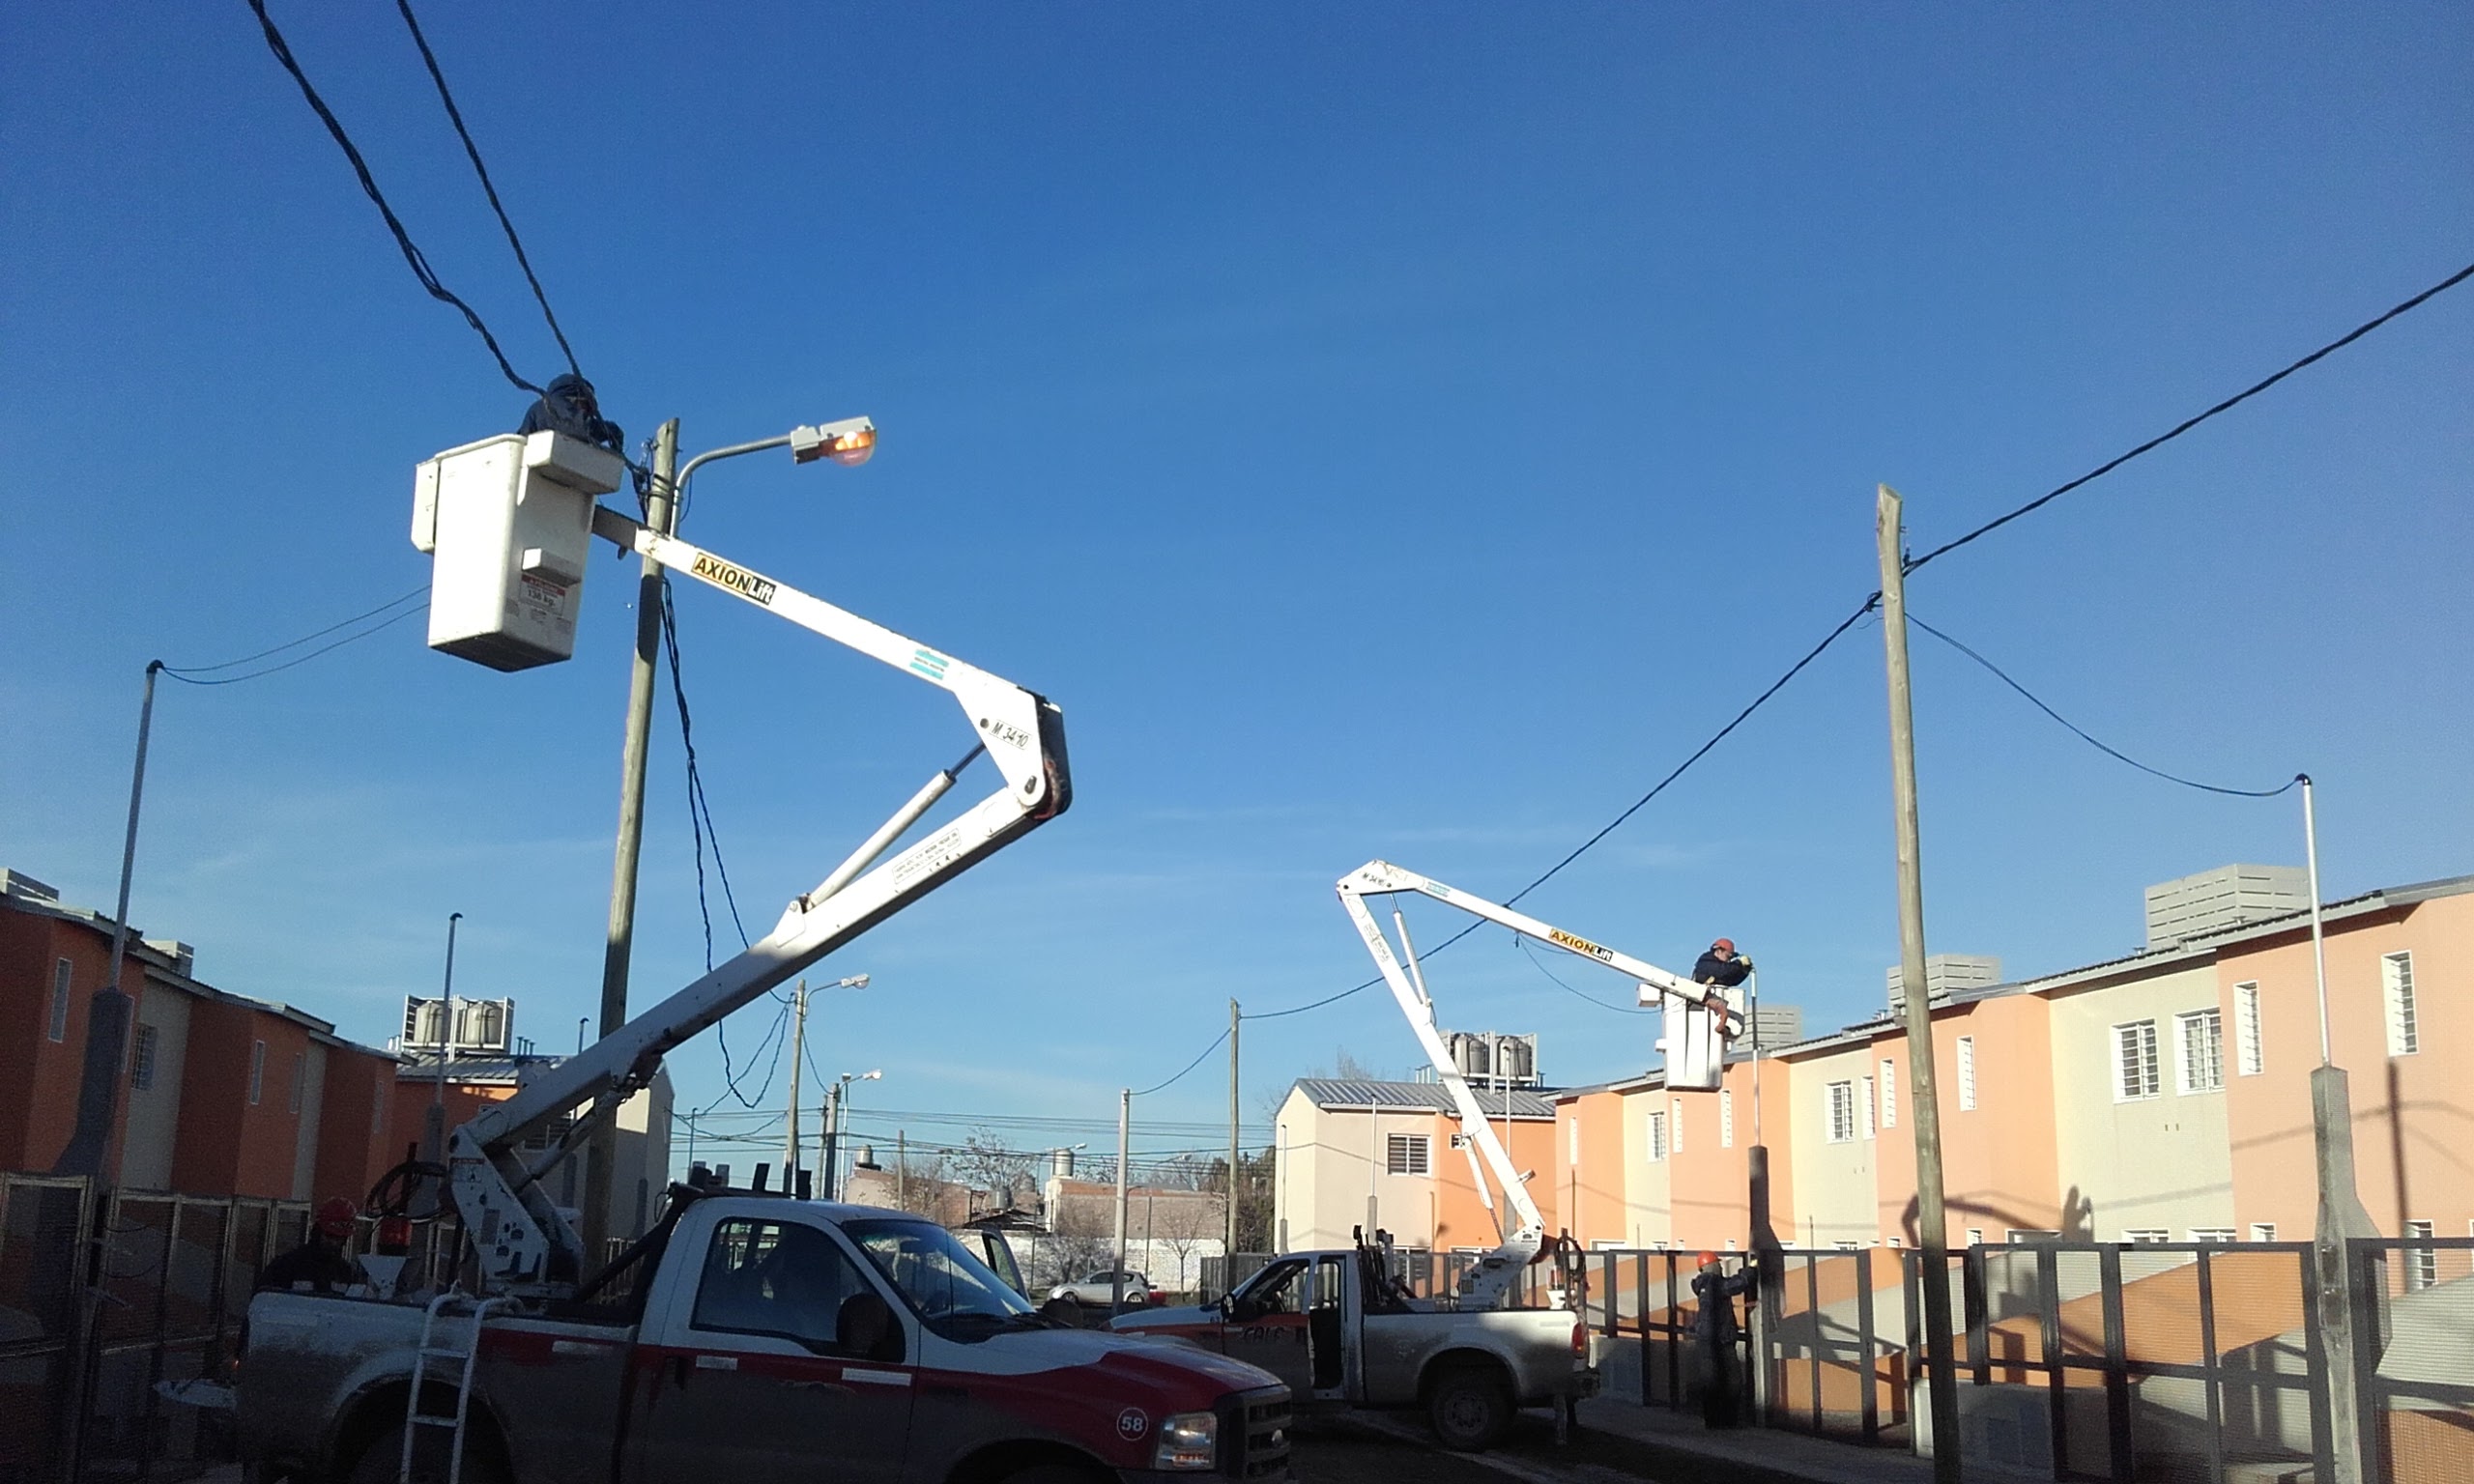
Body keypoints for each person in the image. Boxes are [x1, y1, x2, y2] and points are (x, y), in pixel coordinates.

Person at [1690, 1251, 1758, 1428]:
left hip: (1706, 1340)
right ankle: (1728, 1420)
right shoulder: (1713, 1283)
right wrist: (1750, 1270)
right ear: (1711, 1266)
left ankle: (1713, 1421)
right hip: (1720, 1340)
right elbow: (1737, 1284)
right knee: (1733, 1380)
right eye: (1717, 1264)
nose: (1720, 1267)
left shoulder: (1702, 1284)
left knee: (1711, 1381)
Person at [259, 1198, 360, 1293]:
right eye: (330, 1235)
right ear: (317, 1232)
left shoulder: (346, 1274)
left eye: (339, 1238)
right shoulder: (285, 1266)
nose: (334, 1243)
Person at [518, 373, 625, 452]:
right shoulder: (557, 405)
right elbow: (583, 428)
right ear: (577, 398)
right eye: (586, 408)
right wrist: (613, 431)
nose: (586, 414)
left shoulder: (537, 408)